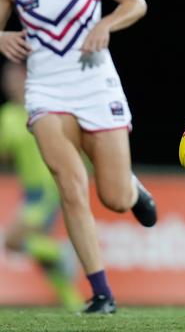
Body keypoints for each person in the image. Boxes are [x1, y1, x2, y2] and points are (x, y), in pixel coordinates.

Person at [0, 0, 158, 314]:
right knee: (70, 185)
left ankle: (131, 188)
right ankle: (101, 293)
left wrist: (108, 24)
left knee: (113, 198)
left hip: (95, 84)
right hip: (46, 91)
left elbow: (136, 2)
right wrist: (2, 37)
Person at [0, 61, 83, 310]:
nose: (11, 84)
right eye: (7, 80)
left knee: (13, 241)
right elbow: (5, 155)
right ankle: (74, 304)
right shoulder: (7, 115)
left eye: (15, 78)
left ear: (26, 78)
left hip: (49, 186)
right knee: (40, 254)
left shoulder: (43, 106)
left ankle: (61, 252)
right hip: (30, 190)